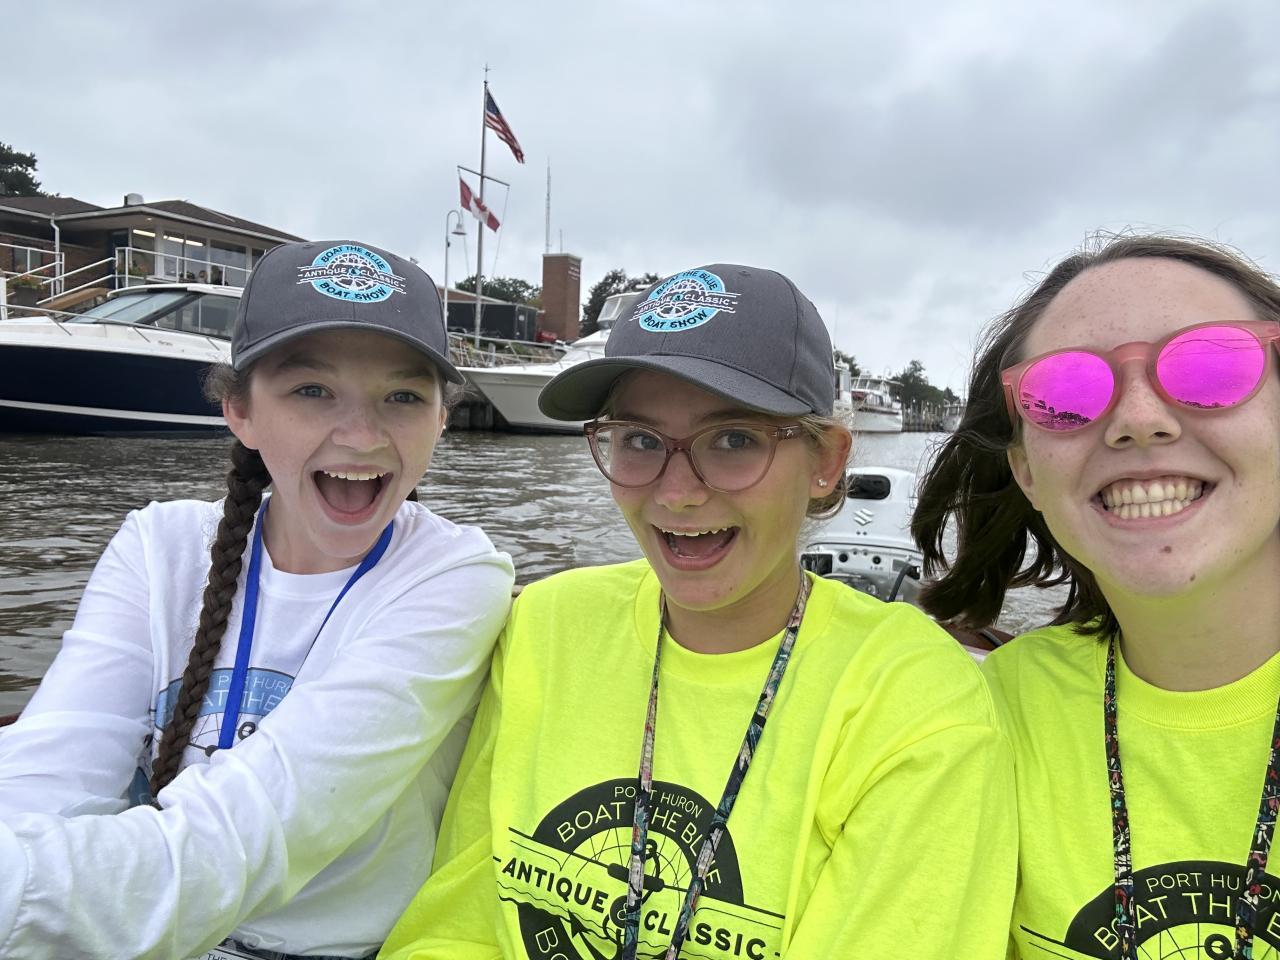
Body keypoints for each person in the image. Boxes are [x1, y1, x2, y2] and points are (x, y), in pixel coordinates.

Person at [381, 263, 1017, 959]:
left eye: (734, 439)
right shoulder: (547, 627)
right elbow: (454, 925)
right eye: (640, 440)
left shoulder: (913, 701)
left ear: (826, 461)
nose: (677, 493)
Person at [0, 240, 515, 959]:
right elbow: (51, 767)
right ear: (239, 411)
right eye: (311, 391)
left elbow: (260, 825)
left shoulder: (456, 575)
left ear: (441, 419)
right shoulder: (158, 545)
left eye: (403, 397)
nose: (362, 436)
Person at [912, 233, 1280, 959]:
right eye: (1065, 394)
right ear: (1026, 472)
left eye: (1211, 366)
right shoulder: (986, 715)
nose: (1140, 419)